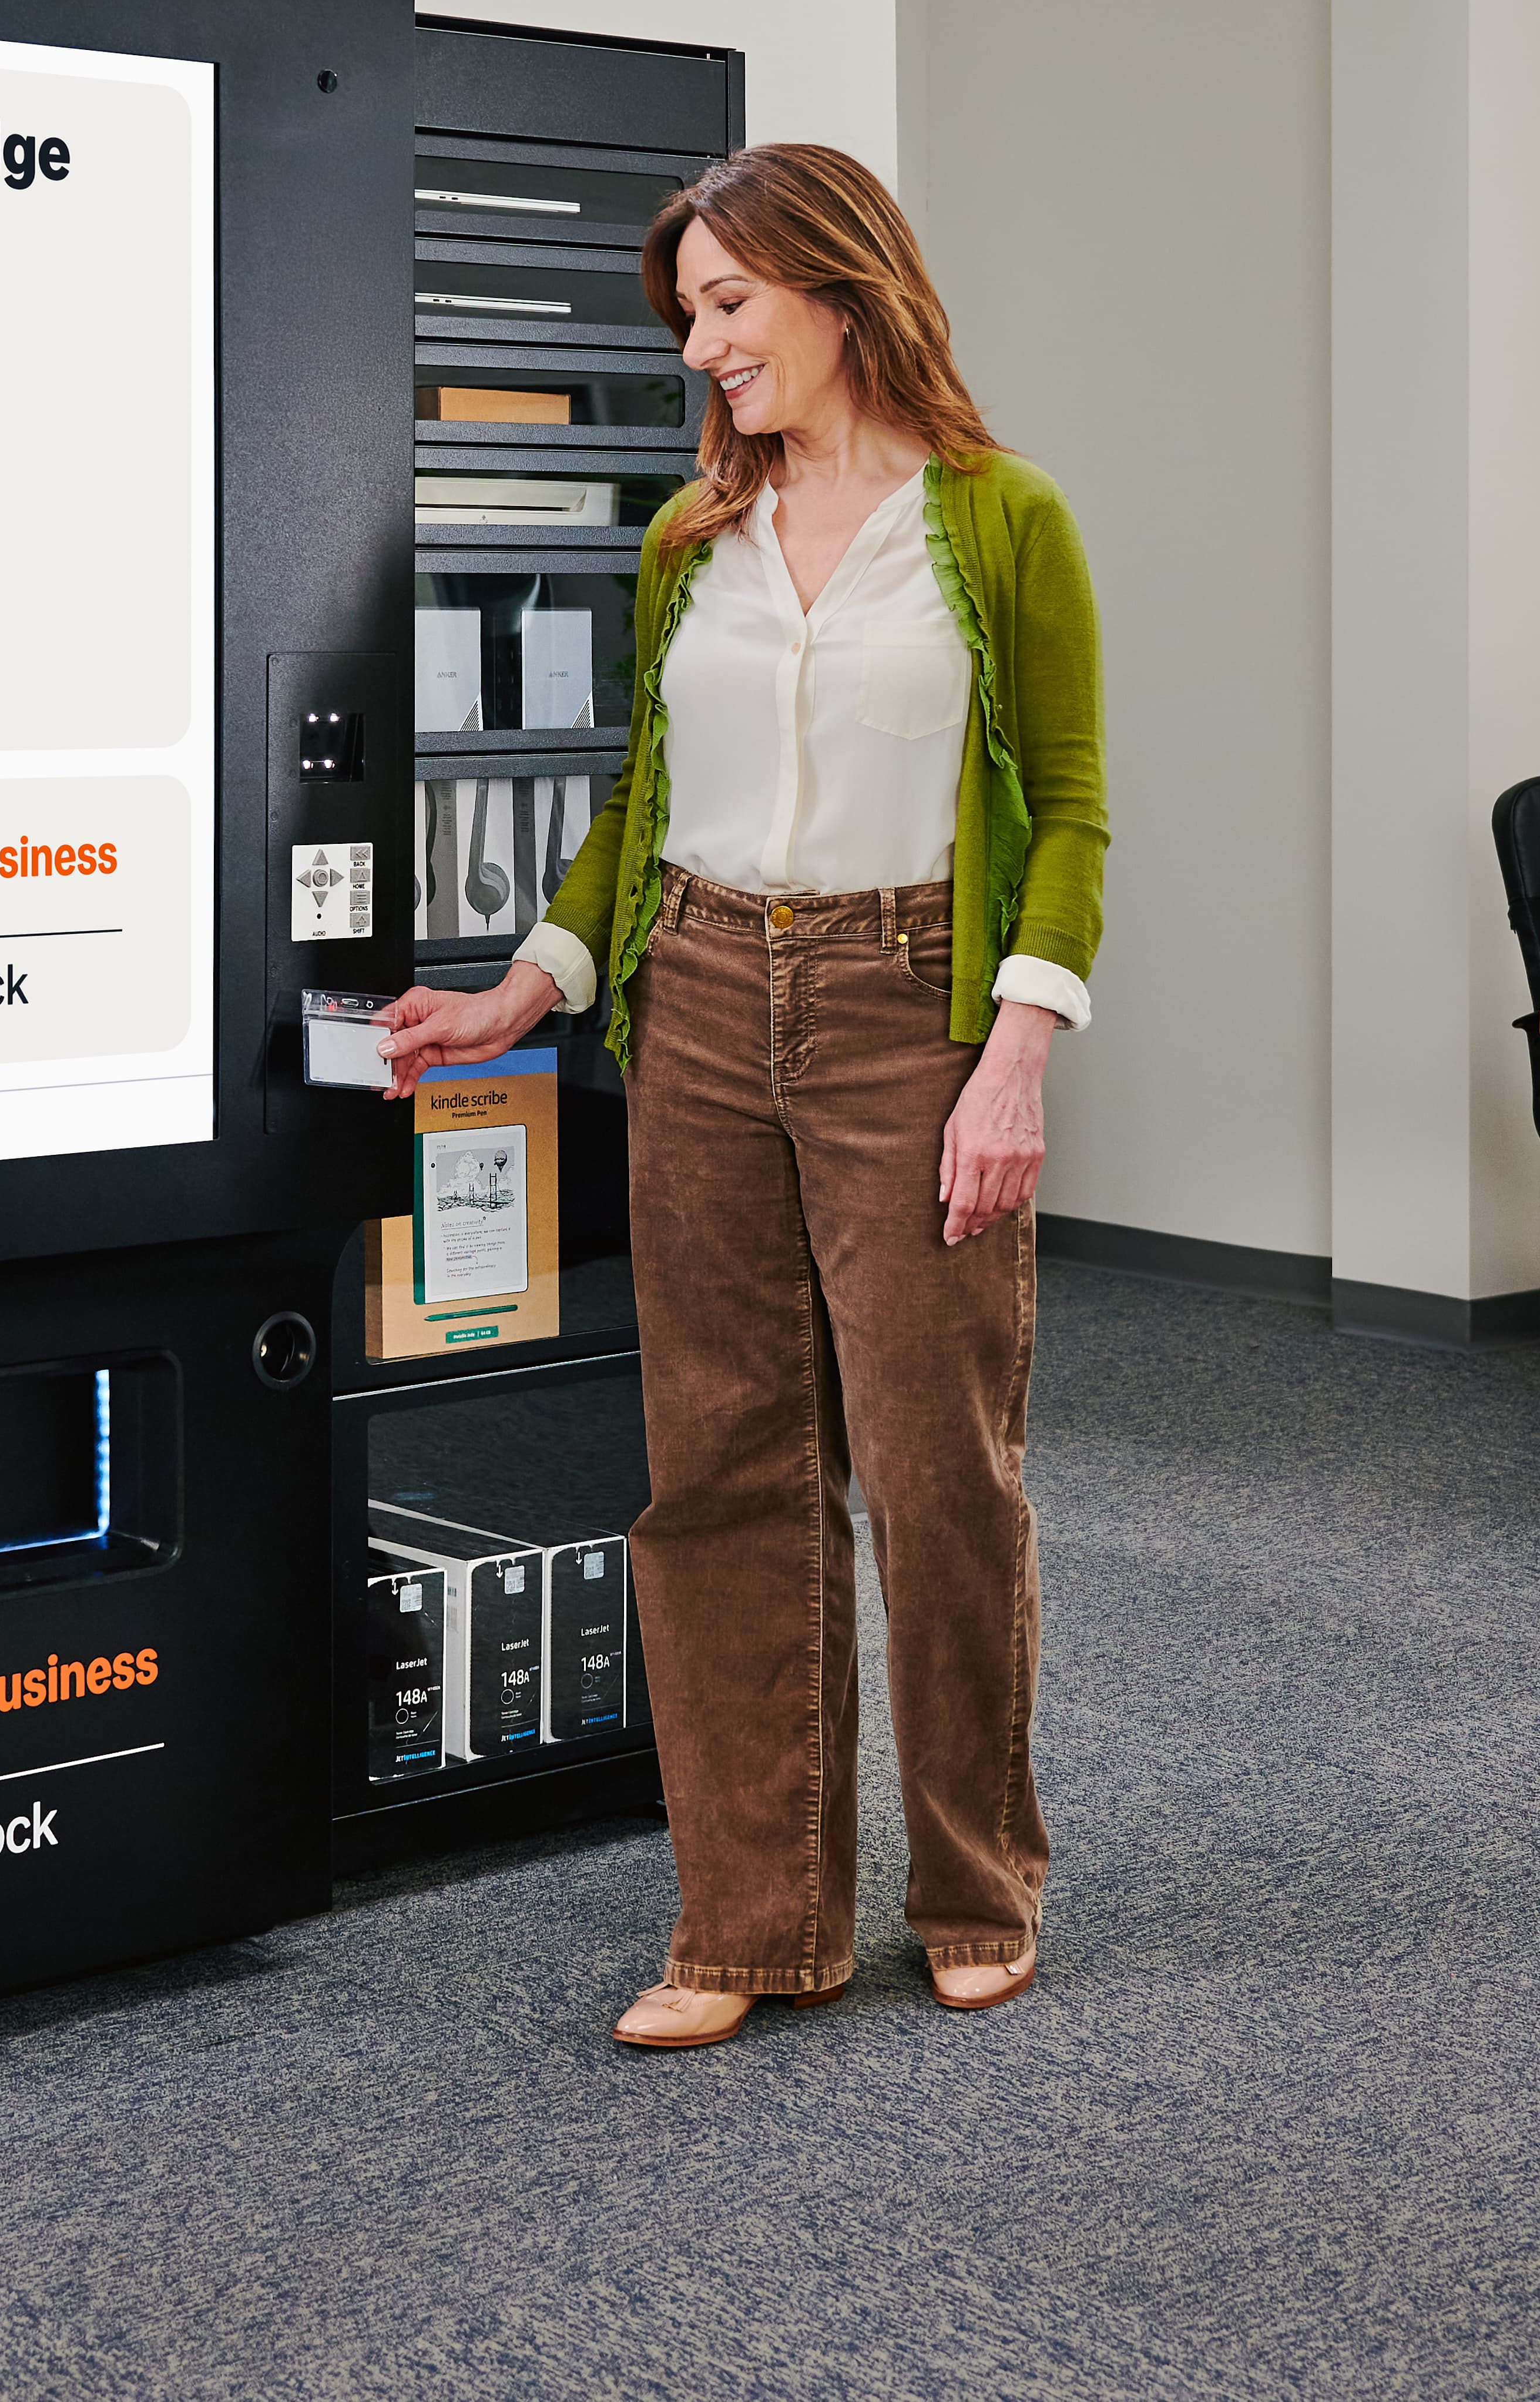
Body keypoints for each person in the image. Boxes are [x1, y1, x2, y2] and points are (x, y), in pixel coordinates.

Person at [377, 142, 1105, 2048]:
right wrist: (524, 986)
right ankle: (748, 1919)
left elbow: (1072, 810)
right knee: (714, 1469)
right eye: (686, 314)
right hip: (696, 992)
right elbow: (639, 803)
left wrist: (1011, 1054)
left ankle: (973, 1877)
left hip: (905, 1005)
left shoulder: (998, 517)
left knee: (941, 1475)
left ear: (839, 291)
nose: (701, 349)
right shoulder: (685, 538)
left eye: (725, 306)